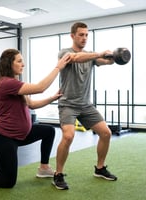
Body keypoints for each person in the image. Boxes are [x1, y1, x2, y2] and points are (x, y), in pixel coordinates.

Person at [0, 48, 71, 188]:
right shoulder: (6, 83)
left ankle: (44, 168)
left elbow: (32, 104)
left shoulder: (15, 82)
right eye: (19, 61)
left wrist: (53, 98)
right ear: (10, 64)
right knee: (7, 182)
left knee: (49, 131)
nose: (23, 64)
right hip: (5, 139)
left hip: (21, 135)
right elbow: (40, 87)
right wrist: (58, 67)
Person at [52, 22, 118, 190]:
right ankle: (58, 174)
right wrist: (99, 53)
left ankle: (100, 168)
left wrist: (114, 58)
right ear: (72, 36)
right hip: (68, 104)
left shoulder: (91, 56)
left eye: (87, 35)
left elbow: (104, 61)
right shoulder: (64, 53)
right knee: (68, 136)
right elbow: (76, 58)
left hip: (86, 105)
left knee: (106, 133)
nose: (84, 38)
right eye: (81, 34)